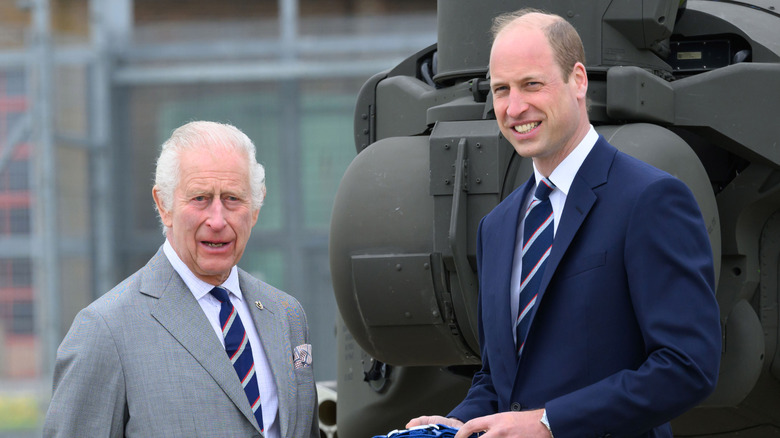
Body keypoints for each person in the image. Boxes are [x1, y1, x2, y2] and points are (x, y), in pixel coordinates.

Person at [408, 9, 721, 438]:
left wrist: (550, 423)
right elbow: (500, 378)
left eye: (532, 84)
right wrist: (457, 422)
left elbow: (687, 366)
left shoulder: (650, 199)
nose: (515, 107)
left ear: (578, 80)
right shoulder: (496, 227)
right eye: (501, 90)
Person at [44, 121, 319, 438]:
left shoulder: (287, 315)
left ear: (256, 208)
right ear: (164, 205)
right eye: (200, 198)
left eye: (233, 198)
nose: (217, 220)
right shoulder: (105, 331)